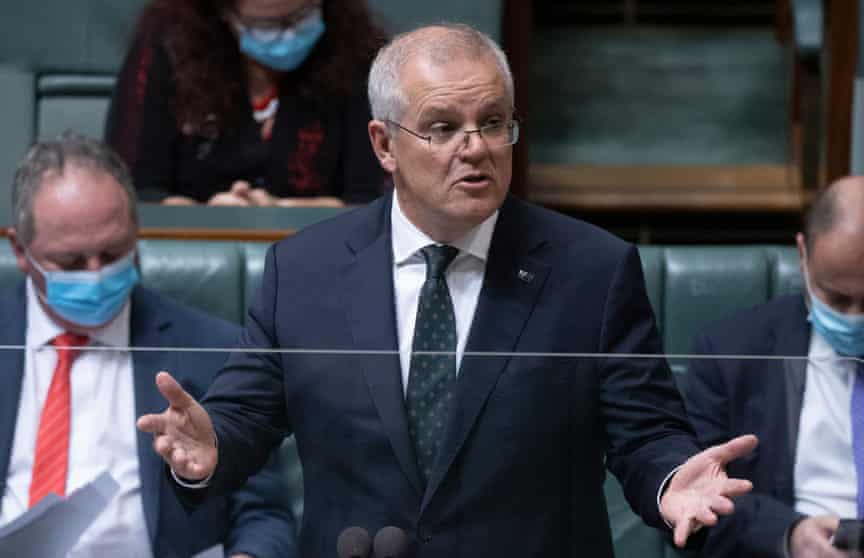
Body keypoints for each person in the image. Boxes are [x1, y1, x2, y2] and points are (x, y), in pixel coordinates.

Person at [138, 24, 758, 557]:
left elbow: (645, 432)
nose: (477, 149)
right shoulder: (305, 270)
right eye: (442, 128)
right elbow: (248, 414)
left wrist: (672, 480)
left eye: (493, 123)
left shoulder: (592, 270)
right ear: (385, 145)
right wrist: (212, 446)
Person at [0, 133, 296, 557]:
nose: (97, 273)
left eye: (114, 251)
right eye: (70, 262)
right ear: (21, 251)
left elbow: (264, 516)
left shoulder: (214, 350)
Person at [682, 176, 864, 557]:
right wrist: (788, 537)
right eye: (835, 296)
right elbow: (691, 502)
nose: (854, 316)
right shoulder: (730, 352)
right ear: (803, 254)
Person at [105, 0, 387, 207]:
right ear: (225, 15)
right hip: (194, 252)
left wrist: (286, 211)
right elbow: (133, 190)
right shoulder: (164, 49)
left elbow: (374, 197)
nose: (289, 34)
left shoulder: (360, 56)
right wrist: (206, 215)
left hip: (324, 247)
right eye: (269, 26)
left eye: (302, 17)